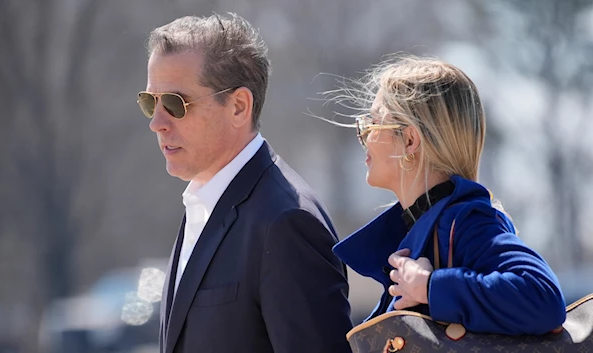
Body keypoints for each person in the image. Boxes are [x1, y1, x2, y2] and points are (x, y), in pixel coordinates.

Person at [138, 13, 352, 353]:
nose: (157, 123)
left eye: (175, 104)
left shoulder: (286, 222)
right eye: (150, 102)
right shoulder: (206, 202)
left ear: (239, 107)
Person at [330, 55, 566, 335]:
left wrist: (430, 286)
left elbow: (544, 297)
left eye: (373, 123)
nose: (365, 136)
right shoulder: (429, 224)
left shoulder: (466, 221)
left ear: (409, 140)